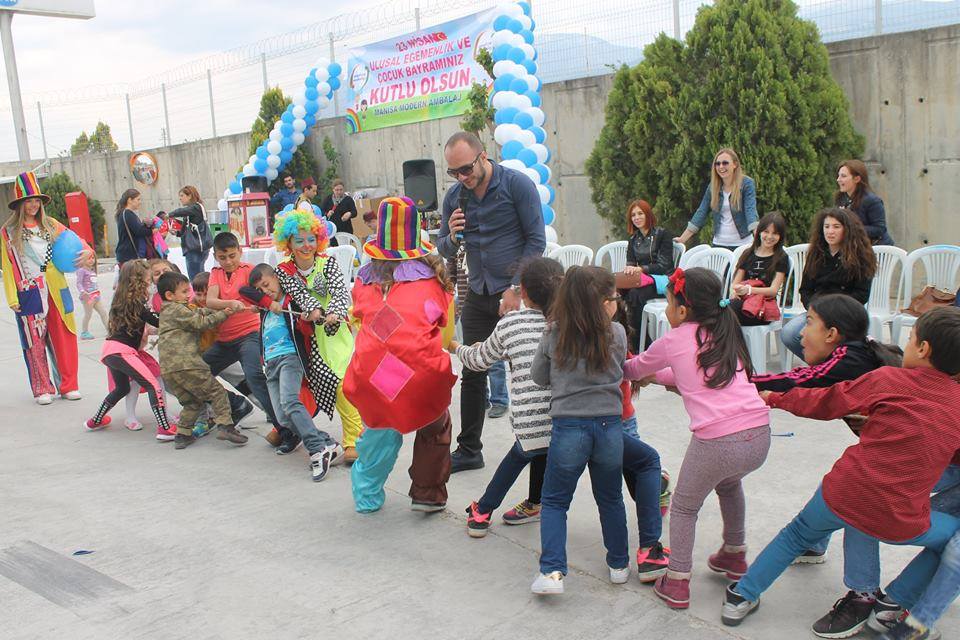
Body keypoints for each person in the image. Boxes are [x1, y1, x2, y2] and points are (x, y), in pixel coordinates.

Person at [721, 307, 960, 633]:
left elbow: (828, 401)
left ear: (923, 348)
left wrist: (776, 399)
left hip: (842, 492)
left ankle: (740, 596)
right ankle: (894, 603)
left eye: (912, 335)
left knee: (795, 534)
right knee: (952, 541)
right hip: (901, 518)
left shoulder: (888, 378)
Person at [623, 267, 771, 608]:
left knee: (685, 508)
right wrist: (657, 377)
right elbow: (687, 373)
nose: (669, 311)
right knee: (730, 484)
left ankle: (676, 581)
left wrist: (622, 366)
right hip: (758, 434)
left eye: (670, 304)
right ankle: (734, 554)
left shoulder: (675, 338)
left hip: (718, 441)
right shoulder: (723, 330)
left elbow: (636, 369)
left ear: (683, 311)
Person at [437, 131, 546, 473]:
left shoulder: (517, 185)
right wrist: (452, 237)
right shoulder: (455, 196)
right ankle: (469, 449)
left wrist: (516, 286)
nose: (462, 178)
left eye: (466, 169)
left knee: (530, 374)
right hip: (478, 294)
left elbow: (536, 240)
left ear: (484, 156)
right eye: (454, 172)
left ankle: (538, 448)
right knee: (472, 371)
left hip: (516, 296)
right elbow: (442, 248)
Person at [344, 196, 457, 512]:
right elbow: (444, 334)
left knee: (381, 426)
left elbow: (358, 321)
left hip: (372, 372)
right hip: (419, 372)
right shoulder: (434, 281)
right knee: (435, 422)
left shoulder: (365, 280)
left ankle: (366, 494)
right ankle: (427, 493)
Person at [529, 266, 629, 596]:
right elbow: (622, 369)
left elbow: (539, 377)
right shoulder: (617, 332)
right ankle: (619, 564)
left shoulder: (555, 332)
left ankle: (553, 572)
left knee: (555, 501)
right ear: (603, 302)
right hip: (610, 427)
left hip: (569, 427)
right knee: (611, 497)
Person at [451, 257, 563, 537]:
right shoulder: (565, 323)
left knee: (519, 456)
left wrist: (455, 346)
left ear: (522, 291)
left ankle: (483, 510)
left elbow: (479, 360)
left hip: (529, 422)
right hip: (564, 420)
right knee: (543, 451)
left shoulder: (511, 323)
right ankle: (535, 503)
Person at [269, 210, 363, 463]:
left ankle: (353, 439)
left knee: (342, 383)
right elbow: (301, 295)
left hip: (335, 333)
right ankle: (288, 427)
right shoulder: (283, 270)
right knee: (311, 385)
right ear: (288, 243)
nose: (306, 246)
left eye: (311, 239)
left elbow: (340, 293)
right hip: (304, 336)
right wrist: (314, 310)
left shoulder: (327, 263)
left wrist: (333, 312)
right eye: (299, 241)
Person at [245, 264, 343, 478]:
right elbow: (243, 291)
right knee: (282, 417)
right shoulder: (265, 306)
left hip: (290, 357)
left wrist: (309, 317)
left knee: (290, 402)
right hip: (270, 363)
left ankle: (317, 450)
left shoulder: (291, 300)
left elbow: (308, 322)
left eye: (267, 285)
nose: (265, 291)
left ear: (277, 278)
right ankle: (327, 442)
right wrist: (265, 302)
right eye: (260, 289)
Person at [2, 171, 92, 404]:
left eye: (36, 201)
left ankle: (69, 384)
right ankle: (43, 388)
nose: (33, 205)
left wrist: (88, 252)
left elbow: (76, 241)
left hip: (56, 287)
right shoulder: (8, 232)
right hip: (29, 290)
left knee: (64, 336)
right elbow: (7, 265)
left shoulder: (52, 225)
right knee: (34, 341)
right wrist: (12, 296)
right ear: (20, 204)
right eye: (28, 201)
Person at [83, 260, 176, 440]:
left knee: (122, 388)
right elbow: (158, 320)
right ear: (140, 280)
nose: (150, 283)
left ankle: (94, 421)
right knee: (153, 385)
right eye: (149, 279)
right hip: (122, 352)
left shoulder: (121, 299)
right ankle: (164, 428)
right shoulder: (138, 303)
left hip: (110, 351)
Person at [156, 271, 247, 450]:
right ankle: (226, 426)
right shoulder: (176, 309)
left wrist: (221, 306)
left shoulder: (170, 311)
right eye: (184, 292)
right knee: (217, 392)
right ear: (169, 295)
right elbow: (200, 322)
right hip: (187, 364)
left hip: (169, 370)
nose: (188, 295)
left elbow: (201, 311)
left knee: (192, 402)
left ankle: (183, 435)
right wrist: (226, 313)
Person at [204, 232, 278, 429]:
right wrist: (231, 303)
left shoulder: (249, 270)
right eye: (222, 257)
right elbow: (210, 301)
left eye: (232, 256)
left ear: (240, 251)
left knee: (254, 377)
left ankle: (282, 425)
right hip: (224, 340)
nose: (228, 262)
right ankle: (235, 405)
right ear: (215, 255)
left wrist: (259, 305)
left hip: (249, 334)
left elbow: (265, 295)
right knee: (197, 373)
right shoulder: (215, 273)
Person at [781, 208, 875, 361]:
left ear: (847, 229)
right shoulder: (816, 254)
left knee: (842, 340)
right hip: (817, 311)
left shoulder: (861, 256)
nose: (830, 231)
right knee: (790, 334)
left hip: (845, 314)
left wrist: (836, 311)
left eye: (836, 226)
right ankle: (824, 366)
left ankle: (835, 368)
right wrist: (814, 311)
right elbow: (805, 289)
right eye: (827, 226)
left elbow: (861, 294)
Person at [675, 148, 758, 250]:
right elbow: (701, 212)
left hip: (743, 245)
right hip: (718, 244)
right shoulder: (713, 187)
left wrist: (758, 236)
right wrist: (682, 239)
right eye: (717, 164)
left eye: (725, 163)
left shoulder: (747, 184)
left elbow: (750, 211)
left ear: (735, 164)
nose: (721, 166)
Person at [621, 198, 676, 351]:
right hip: (643, 281)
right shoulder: (633, 239)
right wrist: (629, 270)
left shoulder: (663, 234)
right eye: (633, 215)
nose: (637, 218)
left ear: (648, 215)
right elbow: (630, 263)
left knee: (634, 295)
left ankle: (642, 345)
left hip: (663, 281)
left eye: (640, 213)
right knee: (620, 293)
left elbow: (664, 266)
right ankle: (631, 340)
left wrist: (641, 269)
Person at [728, 212, 789, 326]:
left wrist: (750, 290)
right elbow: (735, 284)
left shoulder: (781, 257)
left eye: (775, 233)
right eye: (766, 232)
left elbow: (773, 290)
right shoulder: (748, 254)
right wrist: (734, 292)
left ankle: (729, 343)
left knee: (728, 312)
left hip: (763, 308)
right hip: (742, 303)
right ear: (759, 232)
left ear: (780, 236)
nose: (770, 237)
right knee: (721, 309)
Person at [835, 160, 894, 246]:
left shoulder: (872, 200)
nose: (838, 180)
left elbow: (880, 229)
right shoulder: (841, 198)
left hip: (878, 249)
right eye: (838, 176)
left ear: (857, 179)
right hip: (856, 247)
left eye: (843, 176)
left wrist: (850, 228)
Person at [168, 186, 212, 279]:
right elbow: (184, 230)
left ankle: (199, 293)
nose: (180, 198)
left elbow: (181, 211)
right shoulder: (190, 212)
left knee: (195, 277)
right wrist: (176, 233)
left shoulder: (196, 207)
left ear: (190, 196)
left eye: (182, 195)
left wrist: (169, 215)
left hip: (194, 248)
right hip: (197, 247)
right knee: (199, 275)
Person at [114, 188, 155, 266]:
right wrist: (152, 230)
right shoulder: (128, 213)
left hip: (125, 254)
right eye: (138, 199)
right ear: (130, 200)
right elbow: (139, 231)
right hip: (129, 255)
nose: (140, 202)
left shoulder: (123, 213)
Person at [76, 252, 108, 340]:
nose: (91, 260)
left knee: (103, 313)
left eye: (93, 258)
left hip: (96, 296)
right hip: (88, 297)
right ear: (83, 259)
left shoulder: (92, 270)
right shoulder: (81, 270)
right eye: (89, 258)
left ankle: (109, 330)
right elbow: (78, 283)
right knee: (88, 315)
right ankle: (84, 332)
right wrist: (83, 291)